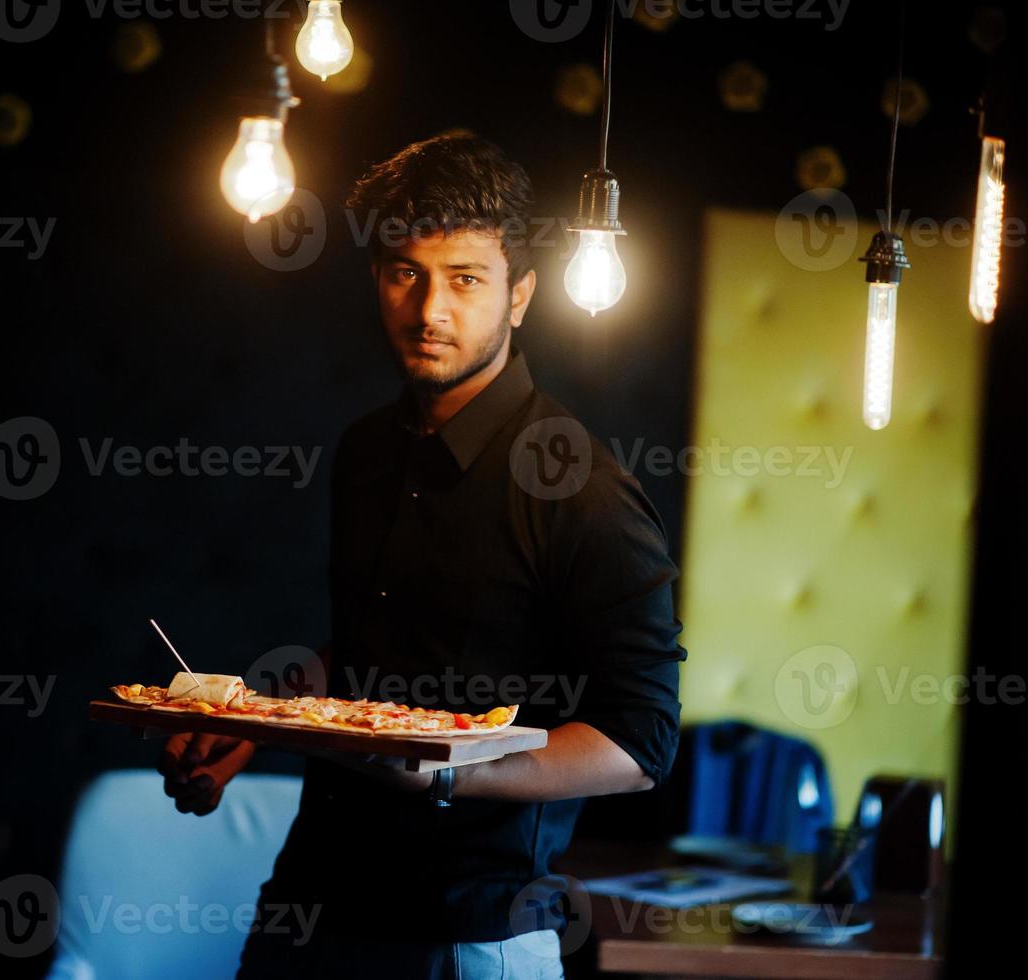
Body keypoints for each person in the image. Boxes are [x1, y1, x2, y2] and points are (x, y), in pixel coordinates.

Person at [158, 133, 687, 980]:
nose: (428, 309)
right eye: (405, 271)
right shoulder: (366, 451)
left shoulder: (582, 488)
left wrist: (442, 775)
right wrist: (249, 728)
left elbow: (641, 742)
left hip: (471, 931)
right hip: (311, 904)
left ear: (520, 296)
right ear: (376, 277)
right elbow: (374, 648)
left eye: (465, 280)